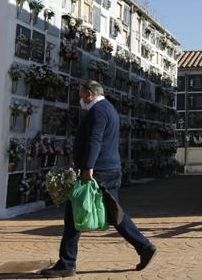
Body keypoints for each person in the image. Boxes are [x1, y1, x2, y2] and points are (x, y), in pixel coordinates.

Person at [41, 80, 157, 277]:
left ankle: (67, 263)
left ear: (88, 94)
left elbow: (95, 139)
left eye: (80, 94)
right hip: (107, 169)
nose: (79, 99)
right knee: (114, 214)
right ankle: (144, 247)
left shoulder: (98, 111)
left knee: (74, 214)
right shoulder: (107, 108)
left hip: (99, 172)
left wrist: (88, 167)